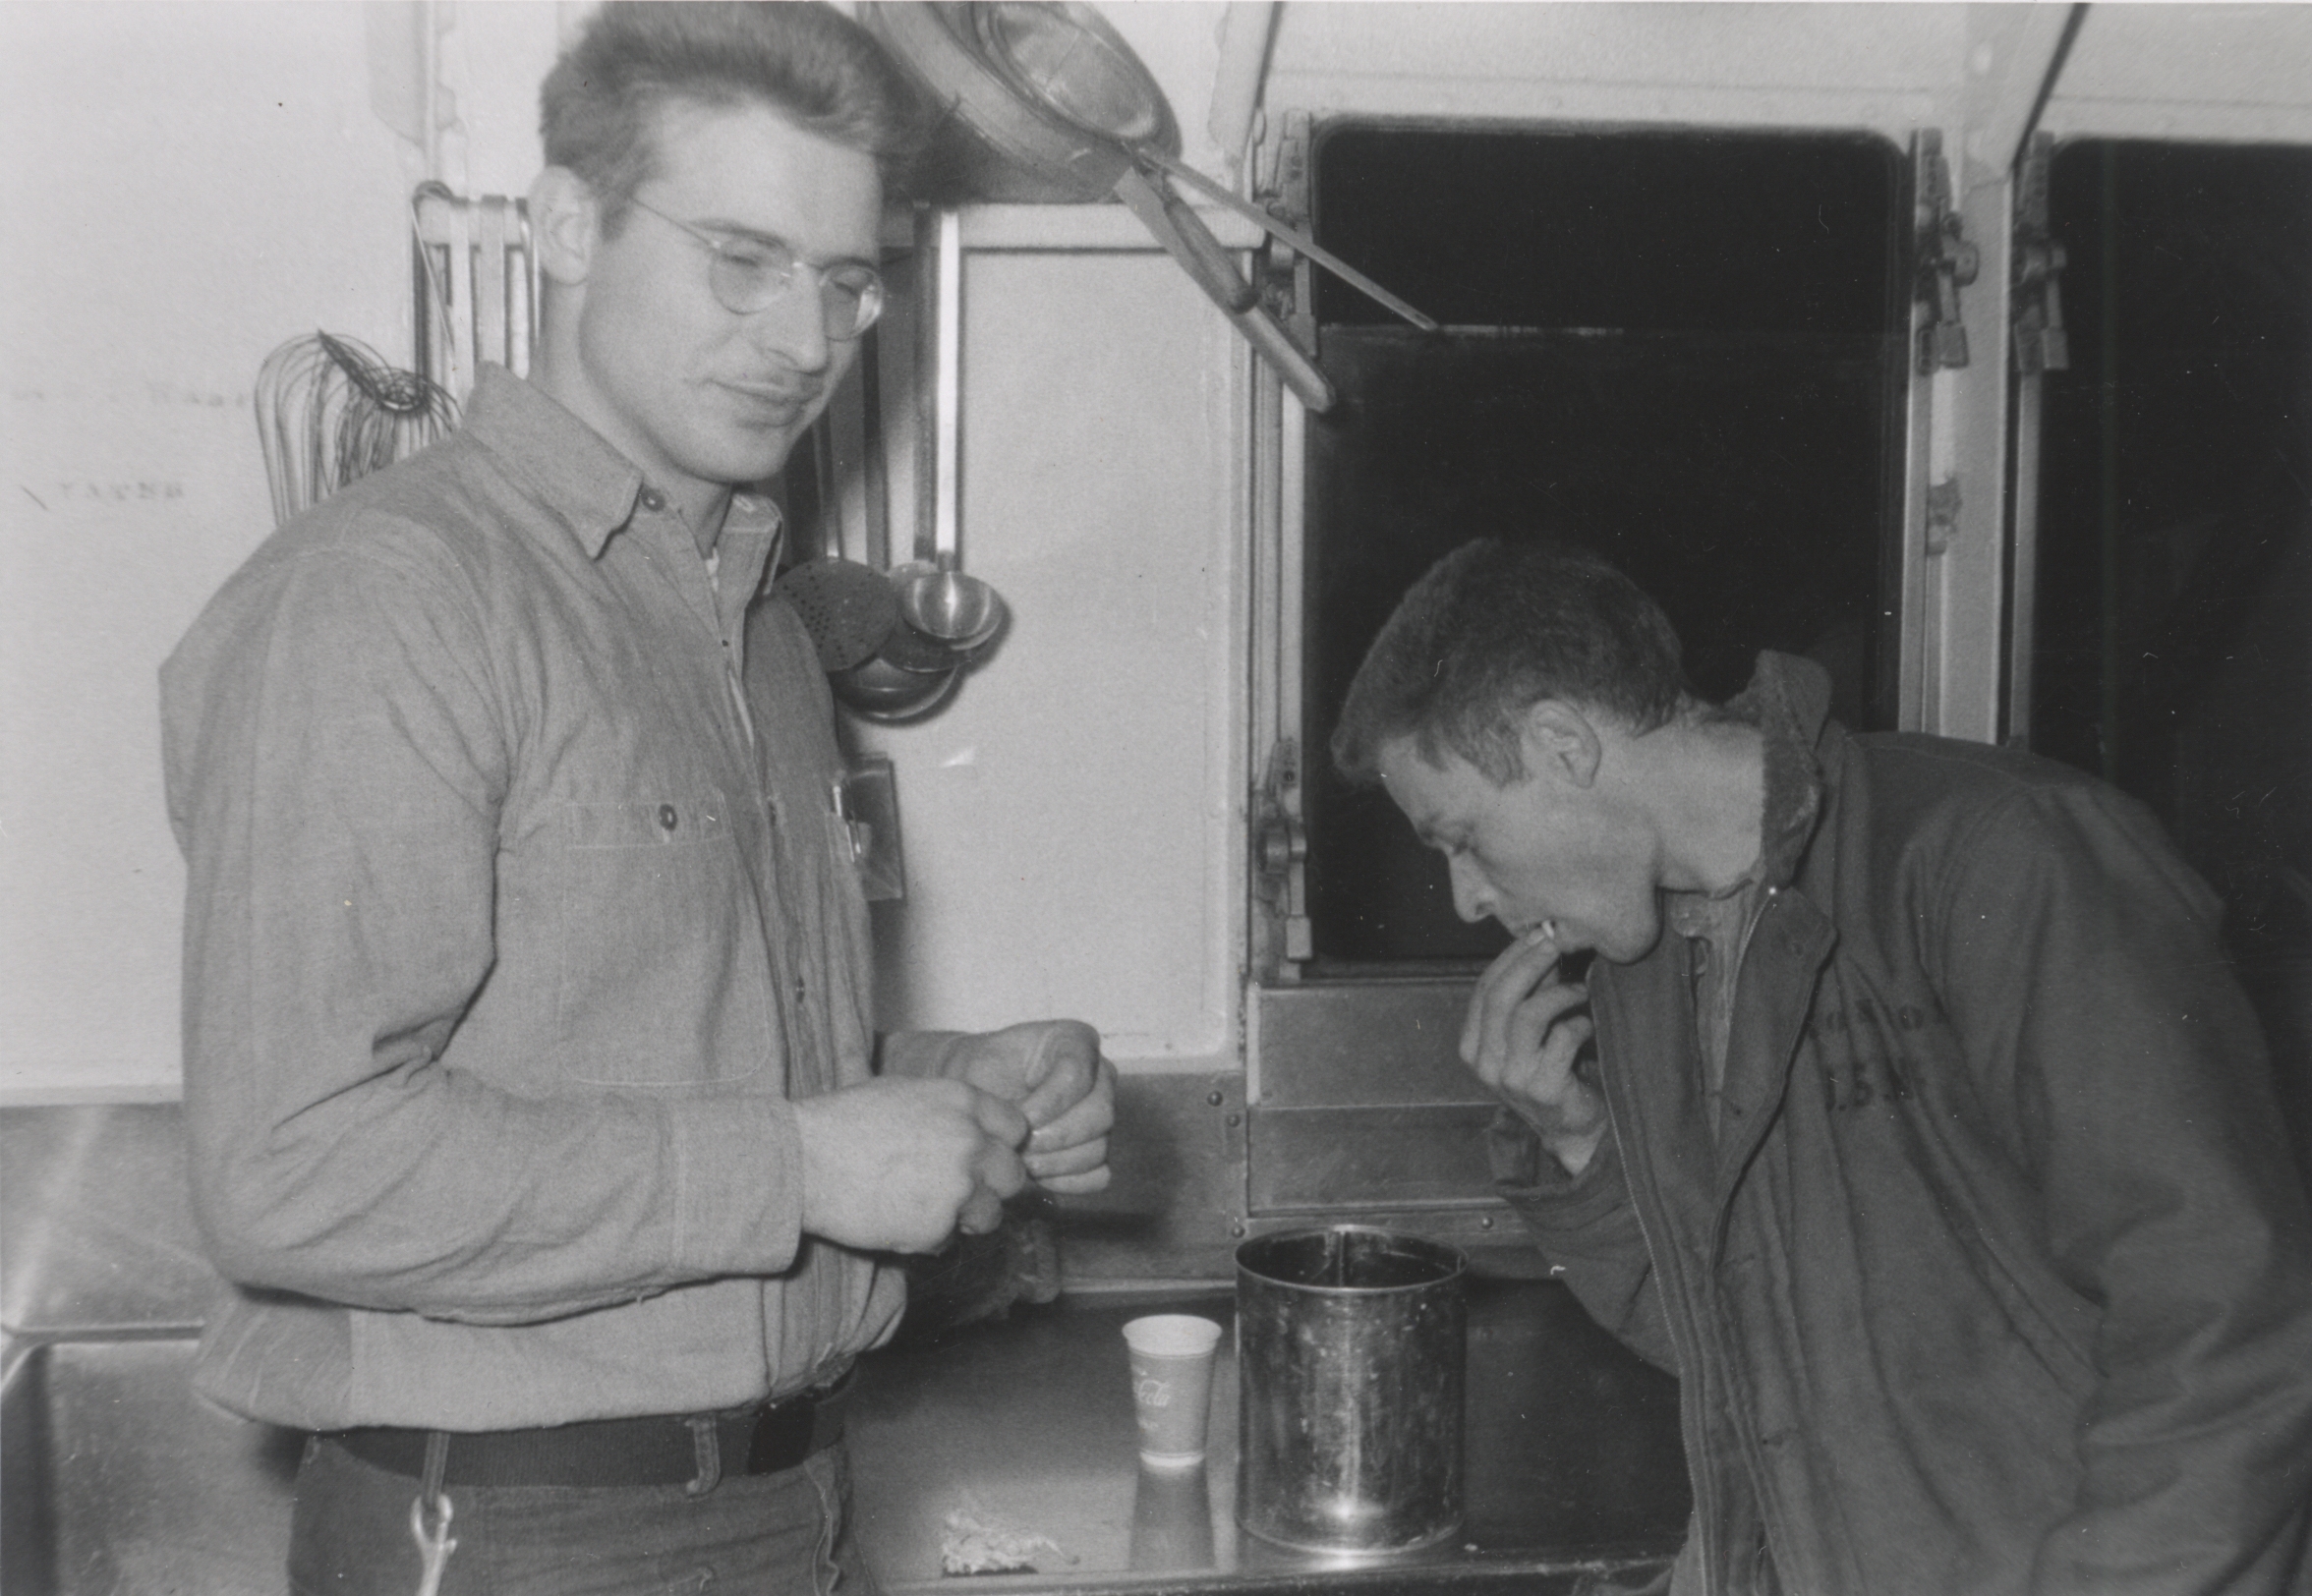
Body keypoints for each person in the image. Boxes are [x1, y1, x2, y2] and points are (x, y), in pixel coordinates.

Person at [159, 6, 1114, 1592]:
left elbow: (669, 1052)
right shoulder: (388, 597)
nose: (805, 340)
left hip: (791, 1502)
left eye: (845, 280)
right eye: (742, 259)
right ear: (564, 226)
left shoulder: (756, 621)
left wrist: (945, 1088)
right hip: (517, 1532)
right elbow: (290, 1164)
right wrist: (806, 1166)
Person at [1331, 537, 2312, 1596]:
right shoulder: (1645, 969)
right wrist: (1581, 1145)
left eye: (1461, 838)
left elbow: (2226, 1329)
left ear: (1561, 743)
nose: (1466, 898)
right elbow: (1759, 1363)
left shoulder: (2000, 853)